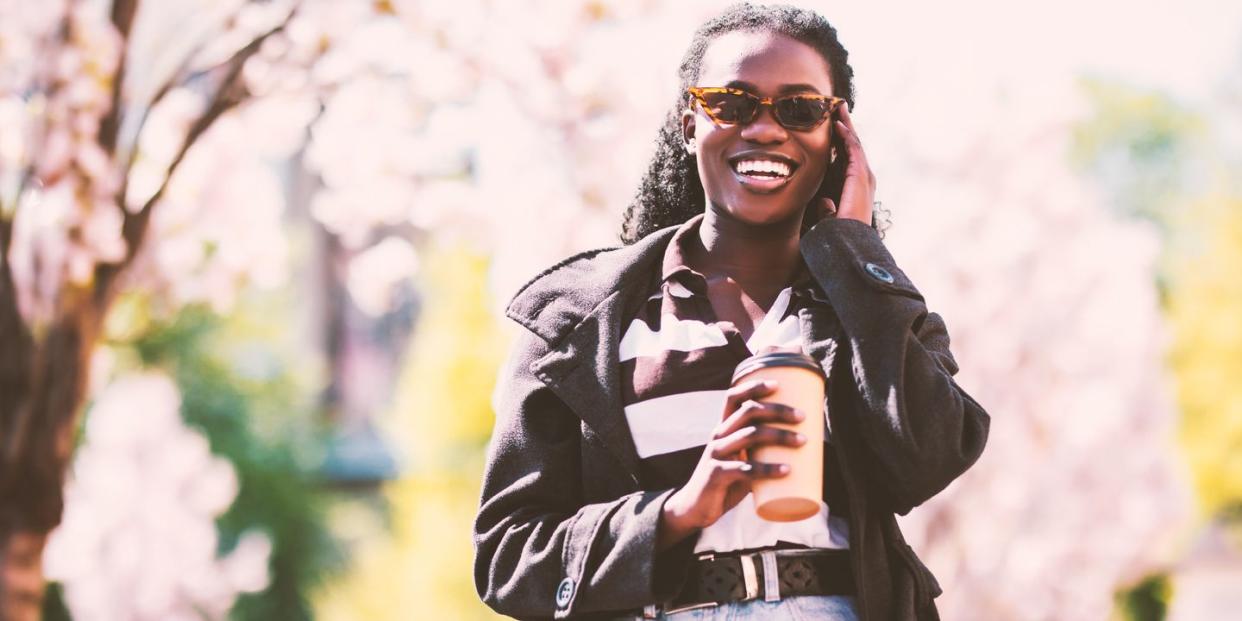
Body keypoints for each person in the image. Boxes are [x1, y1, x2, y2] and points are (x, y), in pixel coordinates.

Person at [473, 3, 990, 620]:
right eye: (733, 103)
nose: (765, 129)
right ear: (690, 123)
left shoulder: (873, 306)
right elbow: (507, 557)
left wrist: (853, 251)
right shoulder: (580, 320)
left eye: (800, 109)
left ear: (838, 139)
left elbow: (928, 458)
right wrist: (678, 511)